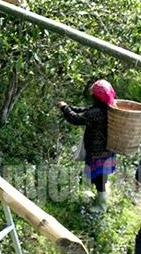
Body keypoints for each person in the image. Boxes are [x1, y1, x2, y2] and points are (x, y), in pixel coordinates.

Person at [57, 78, 118, 213]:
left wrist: (64, 108)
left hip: (98, 151)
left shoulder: (96, 113)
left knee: (99, 177)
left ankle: (101, 206)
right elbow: (84, 111)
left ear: (95, 96)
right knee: (101, 176)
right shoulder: (108, 108)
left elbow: (76, 119)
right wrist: (68, 107)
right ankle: (101, 197)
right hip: (108, 149)